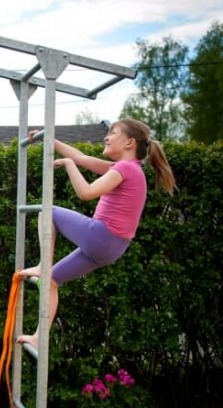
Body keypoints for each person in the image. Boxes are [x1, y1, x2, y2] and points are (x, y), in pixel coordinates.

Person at [17, 119, 175, 348]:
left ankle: (43, 264)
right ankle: (39, 337)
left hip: (102, 235)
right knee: (51, 281)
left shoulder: (124, 169)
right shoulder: (128, 169)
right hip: (112, 248)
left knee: (46, 211)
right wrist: (48, 138)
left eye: (112, 133)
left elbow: (86, 192)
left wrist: (69, 164)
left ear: (130, 143)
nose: (107, 137)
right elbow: (82, 157)